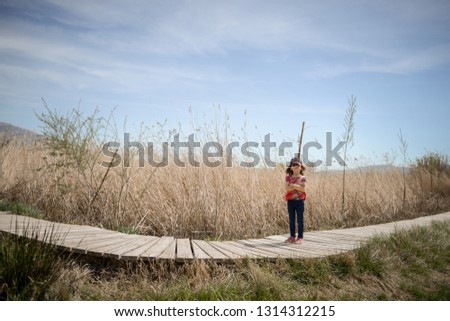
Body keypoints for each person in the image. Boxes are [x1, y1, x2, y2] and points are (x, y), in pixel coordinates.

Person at [284, 157, 307, 244]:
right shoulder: (288, 177)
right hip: (290, 201)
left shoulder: (303, 177)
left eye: (298, 165)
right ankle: (292, 236)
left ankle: (300, 237)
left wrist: (292, 185)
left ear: (301, 167)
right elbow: (287, 188)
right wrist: (298, 186)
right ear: (291, 167)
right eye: (294, 165)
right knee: (291, 219)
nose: (296, 166)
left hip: (300, 201)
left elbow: (304, 189)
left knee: (300, 219)